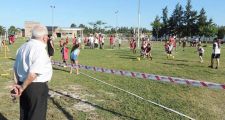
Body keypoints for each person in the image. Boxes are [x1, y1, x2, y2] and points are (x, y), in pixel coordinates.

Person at [11, 24, 52, 120]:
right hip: (35, 87)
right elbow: (33, 73)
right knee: (36, 116)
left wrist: (18, 85)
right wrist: (21, 87)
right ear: (44, 37)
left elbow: (15, 68)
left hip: (23, 84)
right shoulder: (40, 50)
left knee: (25, 115)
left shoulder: (22, 48)